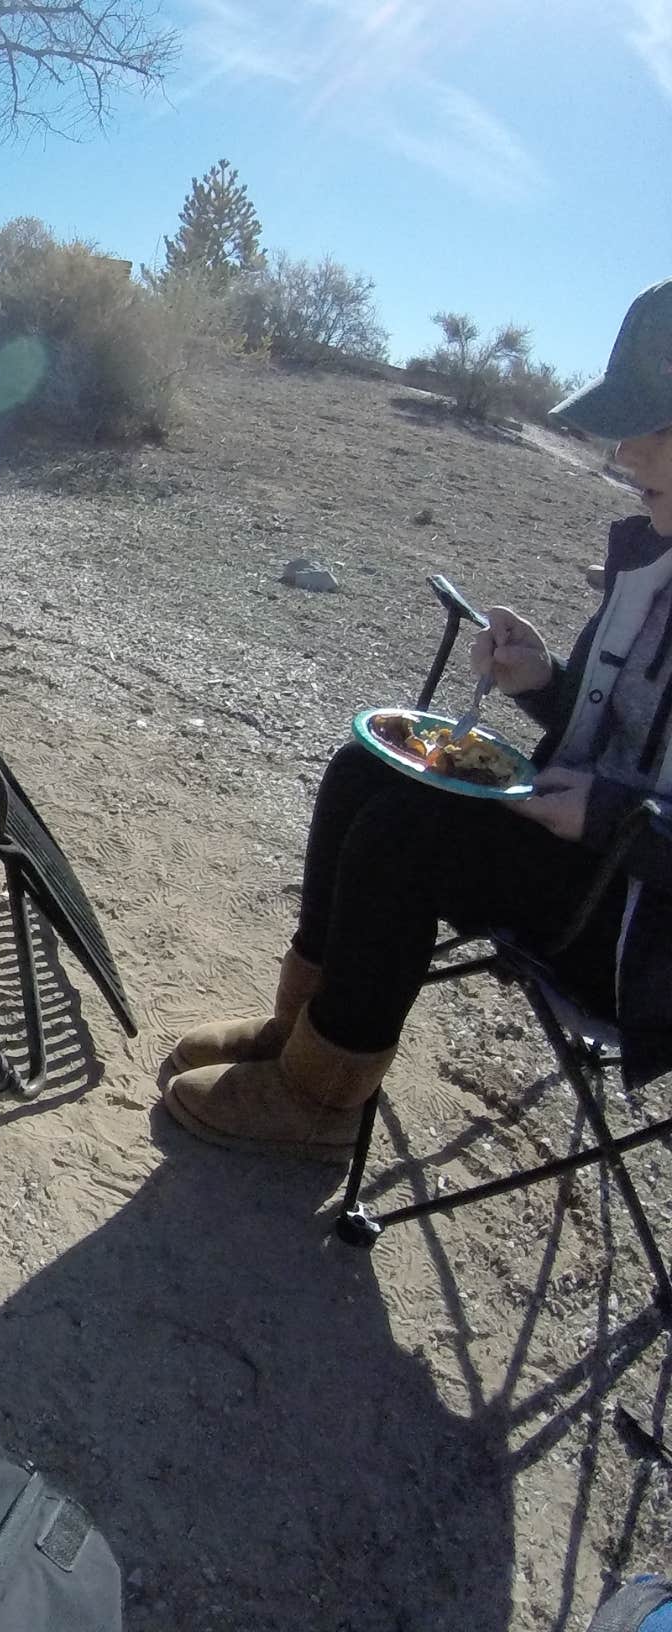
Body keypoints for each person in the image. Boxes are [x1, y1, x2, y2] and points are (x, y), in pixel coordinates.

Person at [160, 277, 672, 1161]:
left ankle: (323, 1100)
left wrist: (610, 818)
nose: (623, 452)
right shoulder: (653, 556)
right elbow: (612, 729)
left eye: (650, 425)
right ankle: (305, 1032)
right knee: (368, 767)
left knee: (411, 833)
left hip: (642, 937)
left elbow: (624, 794)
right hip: (586, 861)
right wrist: (542, 679)